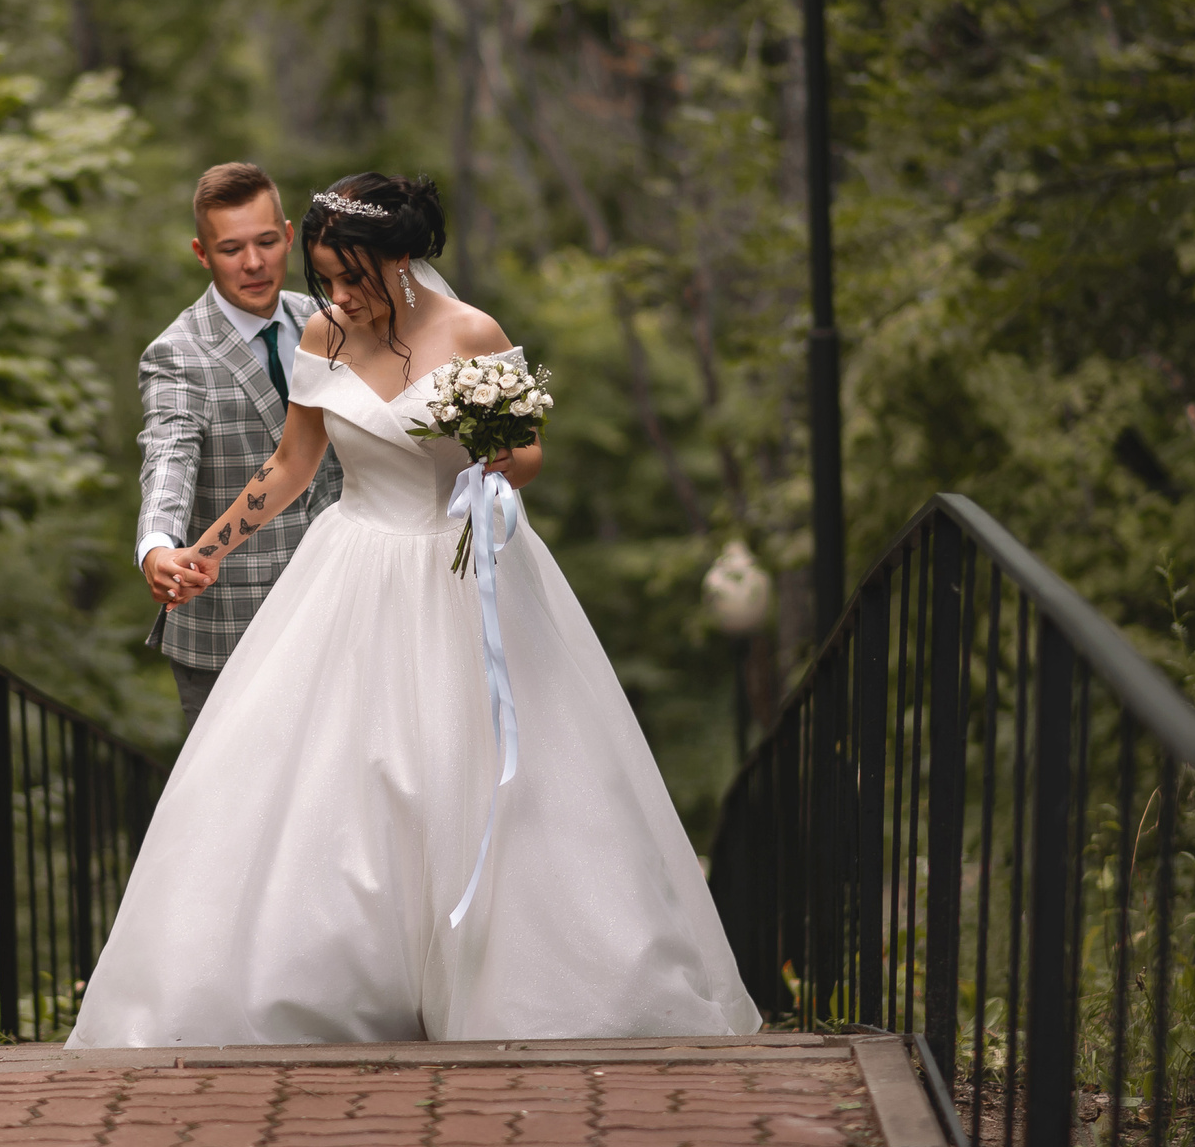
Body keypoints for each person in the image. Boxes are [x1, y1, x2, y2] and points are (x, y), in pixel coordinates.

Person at [71, 173, 760, 1047]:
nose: (340, 296)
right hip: (350, 569)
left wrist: (490, 454)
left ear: (402, 259)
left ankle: (514, 977)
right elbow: (290, 464)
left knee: (470, 770)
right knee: (342, 781)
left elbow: (527, 455)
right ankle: (333, 982)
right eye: (325, 276)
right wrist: (201, 552)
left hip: (458, 570)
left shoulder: (471, 332)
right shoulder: (322, 332)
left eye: (355, 276)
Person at [136, 163, 345, 728]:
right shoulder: (177, 353)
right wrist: (157, 546)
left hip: (346, 607)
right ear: (202, 253)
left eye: (266, 242)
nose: (253, 264)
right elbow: (168, 456)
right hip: (230, 624)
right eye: (231, 249)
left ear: (287, 234)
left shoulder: (332, 320)